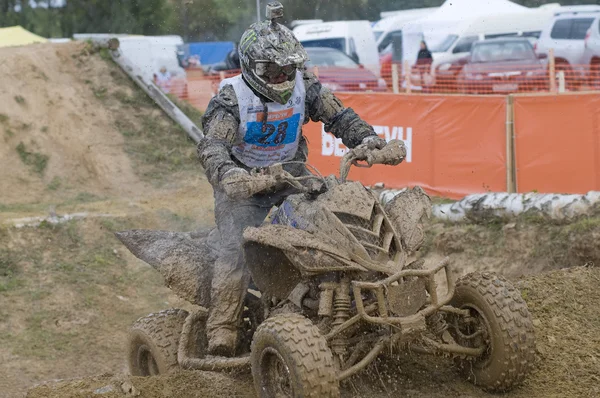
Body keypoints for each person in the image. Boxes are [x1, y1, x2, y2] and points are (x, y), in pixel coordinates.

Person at [197, 1, 388, 357]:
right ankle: (223, 327)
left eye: (288, 69)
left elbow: (339, 116)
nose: (282, 78)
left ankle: (353, 294)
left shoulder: (307, 87)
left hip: (293, 178)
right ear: (252, 68)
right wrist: (229, 175)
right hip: (245, 189)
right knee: (235, 248)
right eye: (272, 71)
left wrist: (366, 139)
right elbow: (211, 148)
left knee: (335, 218)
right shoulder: (231, 100)